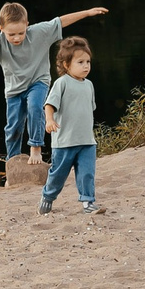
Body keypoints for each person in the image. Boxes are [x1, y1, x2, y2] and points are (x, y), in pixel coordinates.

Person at [0, 0, 109, 164]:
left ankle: (36, 149)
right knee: (13, 127)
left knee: (35, 107)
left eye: (21, 33)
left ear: (27, 25)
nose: (17, 38)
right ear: (1, 29)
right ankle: (12, 162)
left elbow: (61, 21)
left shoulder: (38, 32)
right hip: (14, 90)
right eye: (11, 34)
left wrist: (87, 12)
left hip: (38, 82)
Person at [39, 36, 99, 214]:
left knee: (87, 174)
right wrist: (49, 120)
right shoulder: (61, 83)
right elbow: (49, 105)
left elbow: (89, 109)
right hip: (65, 141)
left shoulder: (89, 85)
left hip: (87, 141)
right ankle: (48, 197)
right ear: (66, 65)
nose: (86, 66)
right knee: (58, 175)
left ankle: (88, 202)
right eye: (80, 62)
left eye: (88, 61)